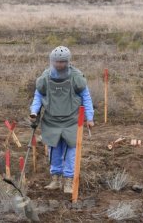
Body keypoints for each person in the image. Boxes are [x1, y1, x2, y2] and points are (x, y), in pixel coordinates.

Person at [29, 46, 94, 194]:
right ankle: (56, 179)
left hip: (72, 120)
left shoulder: (76, 77)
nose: (59, 65)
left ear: (68, 62)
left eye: (62, 62)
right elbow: (38, 97)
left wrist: (89, 117)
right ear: (52, 61)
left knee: (72, 150)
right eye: (57, 62)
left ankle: (69, 182)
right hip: (52, 120)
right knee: (54, 149)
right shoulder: (45, 77)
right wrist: (34, 112)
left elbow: (86, 97)